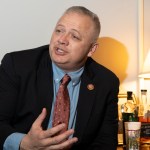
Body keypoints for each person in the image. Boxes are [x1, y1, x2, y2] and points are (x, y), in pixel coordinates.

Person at [0, 6, 119, 150]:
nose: (62, 39)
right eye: (59, 30)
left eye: (74, 36)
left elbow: (105, 143)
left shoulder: (106, 82)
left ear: (91, 49)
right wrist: (23, 143)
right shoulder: (17, 65)